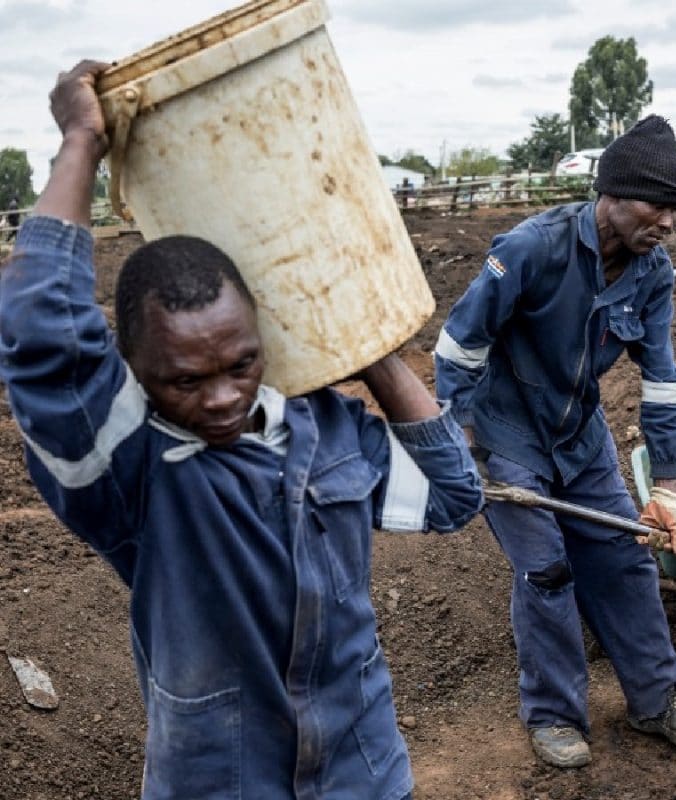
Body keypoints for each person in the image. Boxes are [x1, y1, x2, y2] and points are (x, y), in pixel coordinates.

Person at [0, 61, 483, 800]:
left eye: (242, 362)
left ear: (263, 338)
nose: (222, 397)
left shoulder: (327, 429)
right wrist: (80, 144)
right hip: (222, 783)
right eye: (185, 380)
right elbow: (40, 333)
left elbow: (454, 495)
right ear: (131, 373)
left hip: (367, 773)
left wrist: (366, 339)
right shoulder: (131, 471)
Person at [434, 114, 676, 770]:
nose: (669, 222)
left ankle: (657, 701)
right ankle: (554, 714)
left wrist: (670, 488)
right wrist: (456, 443)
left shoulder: (653, 272)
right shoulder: (534, 247)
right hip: (505, 432)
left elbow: (662, 380)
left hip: (579, 435)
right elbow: (460, 344)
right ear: (615, 196)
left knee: (626, 560)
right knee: (548, 570)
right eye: (658, 205)